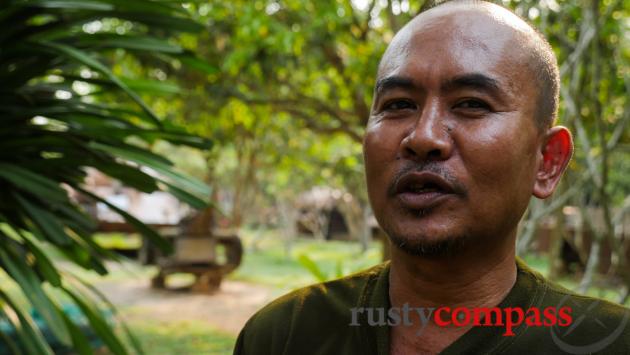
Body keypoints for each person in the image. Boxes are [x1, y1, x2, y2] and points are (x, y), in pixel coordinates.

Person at [233, 1, 630, 354]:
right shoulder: (284, 335)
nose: (423, 137)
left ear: (547, 161)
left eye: (472, 104)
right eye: (399, 104)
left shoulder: (607, 341)